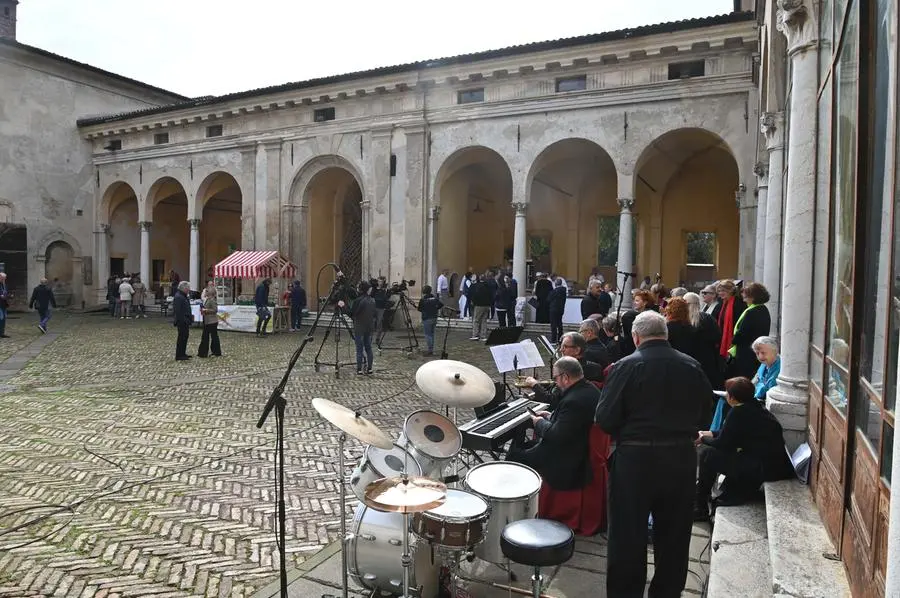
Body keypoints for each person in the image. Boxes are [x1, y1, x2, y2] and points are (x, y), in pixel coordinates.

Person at [595, 310, 713, 598]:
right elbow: (706, 415)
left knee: (627, 536)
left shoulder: (625, 366)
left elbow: (605, 419)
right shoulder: (692, 366)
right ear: (666, 335)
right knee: (674, 536)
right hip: (680, 460)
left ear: (636, 337)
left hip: (635, 462)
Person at [694, 377, 794, 519]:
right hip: (772, 465)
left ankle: (700, 506)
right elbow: (731, 433)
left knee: (707, 454)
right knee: (712, 453)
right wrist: (710, 434)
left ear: (733, 398)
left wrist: (702, 439)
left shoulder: (738, 413)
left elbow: (723, 443)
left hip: (761, 467)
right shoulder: (755, 407)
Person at [507, 356, 601, 490]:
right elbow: (571, 422)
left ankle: (518, 495)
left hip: (567, 459)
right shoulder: (589, 389)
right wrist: (551, 416)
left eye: (556, 378)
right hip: (575, 444)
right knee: (525, 445)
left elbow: (556, 435)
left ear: (565, 377)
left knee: (514, 455)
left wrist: (538, 422)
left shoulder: (573, 401)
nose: (555, 382)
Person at [727, 282, 772, 378]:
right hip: (753, 350)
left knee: (744, 377)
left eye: (746, 296)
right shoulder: (762, 309)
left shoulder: (752, 312)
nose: (743, 298)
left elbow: (743, 332)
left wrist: (733, 340)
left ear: (753, 297)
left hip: (747, 353)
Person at [347, 280, 376, 375]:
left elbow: (352, 314)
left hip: (359, 327)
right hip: (369, 327)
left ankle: (359, 369)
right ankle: (370, 368)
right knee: (368, 348)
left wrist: (343, 307)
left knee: (359, 348)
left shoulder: (358, 301)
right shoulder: (372, 300)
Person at [716, 280, 746, 362]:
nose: (720, 293)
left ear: (730, 291)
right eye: (719, 291)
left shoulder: (739, 304)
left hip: (734, 340)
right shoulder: (722, 304)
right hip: (722, 339)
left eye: (723, 291)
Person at [619, 289, 655, 357]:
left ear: (645, 303)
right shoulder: (633, 315)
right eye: (634, 300)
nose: (634, 302)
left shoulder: (649, 316)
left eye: (637, 301)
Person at [751, 336, 780, 401]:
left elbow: (769, 387)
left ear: (774, 351)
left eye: (763, 353)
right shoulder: (764, 364)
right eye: (757, 353)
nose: (760, 356)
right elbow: (754, 382)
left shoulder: (780, 367)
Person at [197, 281, 222, 358]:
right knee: (206, 336)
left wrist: (206, 310)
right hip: (208, 320)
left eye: (207, 291)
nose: (205, 292)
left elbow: (215, 310)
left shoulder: (212, 300)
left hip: (212, 321)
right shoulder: (208, 299)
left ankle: (214, 351)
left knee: (211, 337)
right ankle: (204, 352)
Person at [417, 284, 443, 356]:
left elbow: (419, 309)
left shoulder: (423, 299)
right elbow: (441, 304)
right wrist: (435, 308)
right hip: (434, 317)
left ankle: (430, 350)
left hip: (427, 318)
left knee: (428, 334)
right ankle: (431, 348)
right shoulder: (434, 298)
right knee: (432, 334)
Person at [172, 281, 193, 361]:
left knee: (185, 337)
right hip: (182, 321)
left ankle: (183, 353)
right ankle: (179, 355)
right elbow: (178, 311)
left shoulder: (182, 296)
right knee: (181, 338)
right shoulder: (179, 297)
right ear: (184, 288)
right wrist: (184, 320)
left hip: (185, 320)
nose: (189, 290)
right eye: (188, 288)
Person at [469, 275, 493, 341]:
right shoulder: (488, 286)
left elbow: (475, 295)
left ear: (479, 279)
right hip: (487, 305)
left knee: (476, 320)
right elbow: (491, 295)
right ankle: (483, 336)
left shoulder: (478, 286)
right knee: (484, 320)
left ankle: (475, 335)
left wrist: (473, 301)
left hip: (479, 305)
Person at [548, 278, 567, 344]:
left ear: (556, 284)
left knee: (553, 325)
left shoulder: (554, 291)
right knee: (559, 324)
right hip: (561, 309)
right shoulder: (563, 291)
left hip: (553, 309)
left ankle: (553, 340)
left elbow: (549, 299)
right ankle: (560, 339)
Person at [0, 272, 8, 338]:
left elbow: (5, 292)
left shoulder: (4, 284)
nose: (4, 279)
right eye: (3, 278)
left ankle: (2, 333)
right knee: (1, 318)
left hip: (3, 304)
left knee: (3, 319)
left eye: (5, 278)